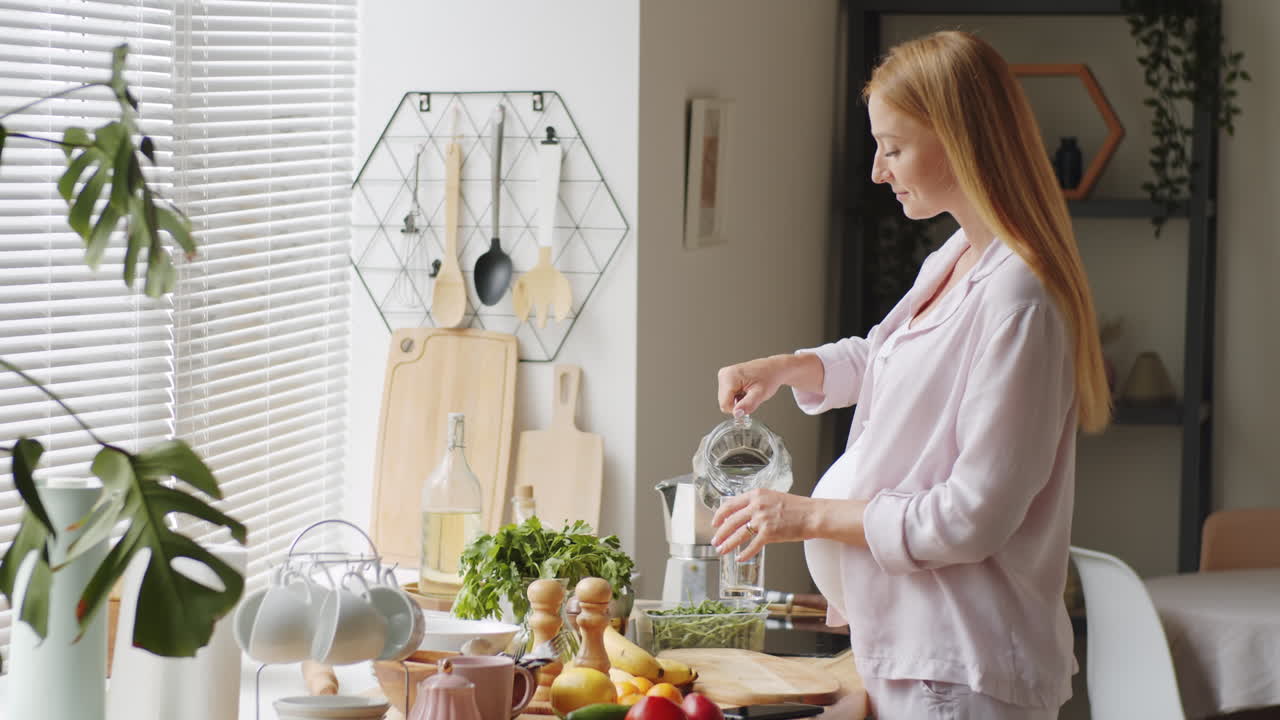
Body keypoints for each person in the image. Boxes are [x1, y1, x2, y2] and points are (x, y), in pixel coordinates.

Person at [710, 30, 1110, 720]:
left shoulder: (1019, 297)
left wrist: (809, 518)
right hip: (909, 650)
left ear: (959, 140)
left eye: (892, 148)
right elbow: (892, 357)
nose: (877, 170)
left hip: (960, 665)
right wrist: (789, 368)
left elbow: (972, 517)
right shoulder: (959, 257)